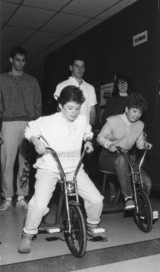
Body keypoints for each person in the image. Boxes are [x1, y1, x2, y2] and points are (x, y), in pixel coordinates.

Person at [18, 85, 105, 254]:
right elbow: (29, 128)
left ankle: (92, 226)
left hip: (73, 168)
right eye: (70, 108)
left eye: (77, 108)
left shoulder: (81, 119)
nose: (74, 112)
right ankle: (27, 235)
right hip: (50, 167)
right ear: (60, 106)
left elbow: (87, 130)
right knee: (39, 204)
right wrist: (36, 142)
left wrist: (87, 141)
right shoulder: (47, 121)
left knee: (96, 199)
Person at [0, 46, 42, 211]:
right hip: (7, 124)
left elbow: (38, 106)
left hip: (28, 125)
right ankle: (8, 197)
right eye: (17, 60)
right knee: (6, 163)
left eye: (23, 60)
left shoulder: (32, 81)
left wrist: (36, 127)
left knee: (25, 163)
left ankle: (22, 197)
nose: (20, 63)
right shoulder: (1, 79)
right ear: (11, 60)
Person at [97, 93, 152, 211]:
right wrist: (109, 145)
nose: (137, 115)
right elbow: (100, 137)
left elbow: (139, 145)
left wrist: (145, 144)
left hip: (126, 157)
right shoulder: (113, 120)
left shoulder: (140, 125)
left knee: (147, 182)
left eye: (140, 112)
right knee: (120, 160)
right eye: (134, 111)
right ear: (127, 109)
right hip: (108, 156)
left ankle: (142, 207)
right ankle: (128, 198)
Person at [54, 57, 97, 126]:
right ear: (71, 68)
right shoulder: (61, 85)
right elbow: (59, 109)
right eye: (77, 66)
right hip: (67, 129)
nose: (79, 69)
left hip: (84, 130)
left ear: (84, 69)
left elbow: (92, 111)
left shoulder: (90, 88)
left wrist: (89, 128)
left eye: (82, 67)